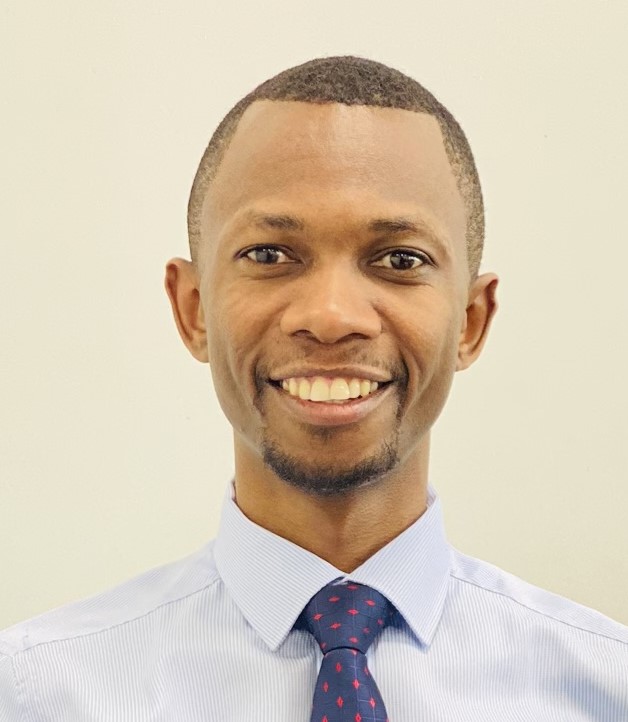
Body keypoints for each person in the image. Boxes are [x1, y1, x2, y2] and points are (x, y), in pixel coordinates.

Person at [1, 55, 626, 721]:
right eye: (269, 255)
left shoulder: (607, 690)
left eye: (400, 259)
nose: (331, 317)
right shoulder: (34, 694)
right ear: (193, 310)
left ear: (470, 322)